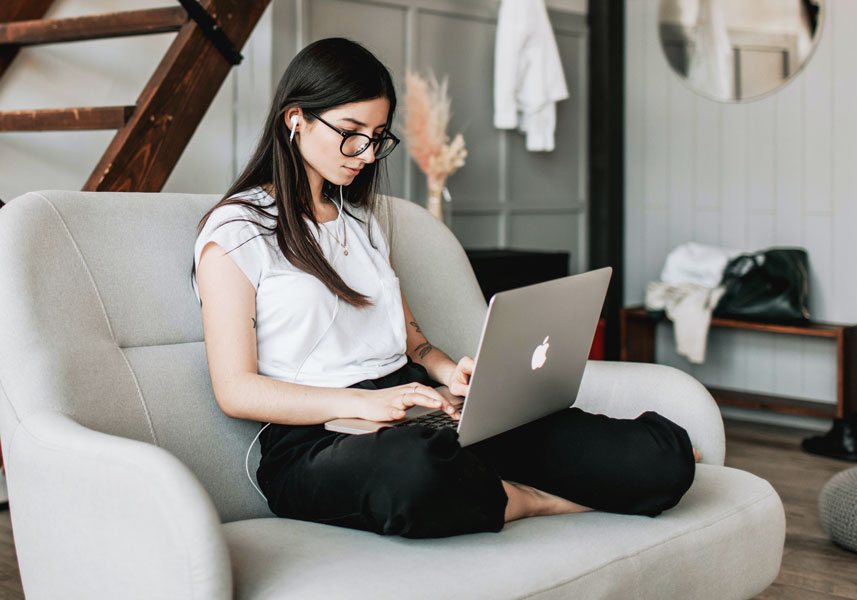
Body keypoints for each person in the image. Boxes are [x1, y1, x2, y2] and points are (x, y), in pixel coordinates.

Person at [193, 38, 696, 539]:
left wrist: (450, 372)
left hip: (415, 412)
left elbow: (414, 340)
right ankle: (529, 500)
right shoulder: (236, 232)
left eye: (377, 137)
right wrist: (358, 403)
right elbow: (235, 390)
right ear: (295, 118)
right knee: (415, 472)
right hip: (317, 444)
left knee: (655, 459)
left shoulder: (362, 223)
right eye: (351, 134)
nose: (366, 154)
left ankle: (515, 484)